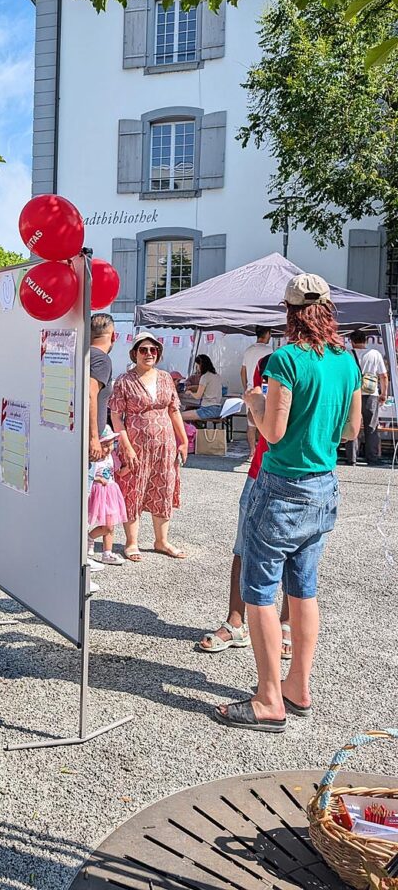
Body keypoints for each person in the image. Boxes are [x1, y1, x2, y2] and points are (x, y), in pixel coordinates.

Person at [216, 274, 361, 733]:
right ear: (328, 310)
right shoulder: (347, 360)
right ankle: (299, 686)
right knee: (304, 589)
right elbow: (352, 431)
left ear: (290, 312)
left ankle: (267, 698)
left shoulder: (285, 359)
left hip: (281, 487)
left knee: (260, 592)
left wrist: (253, 402)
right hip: (323, 485)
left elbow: (273, 432)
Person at [198, 354, 291, 657]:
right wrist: (257, 404)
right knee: (243, 549)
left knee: (294, 557)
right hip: (261, 470)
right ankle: (236, 622)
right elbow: (258, 422)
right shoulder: (271, 363)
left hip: (299, 475)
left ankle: (286, 625)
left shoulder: (328, 363)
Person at [109, 332, 188, 561]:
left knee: (163, 487)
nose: (149, 354)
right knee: (134, 488)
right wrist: (126, 445)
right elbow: (116, 416)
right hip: (136, 444)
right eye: (143, 350)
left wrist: (183, 441)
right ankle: (131, 542)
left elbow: (174, 410)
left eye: (153, 350)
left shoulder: (165, 378)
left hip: (165, 444)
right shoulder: (124, 380)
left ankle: (161, 541)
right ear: (135, 353)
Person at [344, 331, 388, 466]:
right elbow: (383, 376)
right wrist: (384, 394)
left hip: (352, 393)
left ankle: (352, 458)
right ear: (366, 340)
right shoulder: (375, 354)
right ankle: (372, 458)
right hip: (371, 393)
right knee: (371, 426)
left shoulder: (346, 354)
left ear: (351, 341)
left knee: (352, 424)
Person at [87, 428, 126, 566]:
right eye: (105, 445)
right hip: (98, 493)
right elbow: (87, 475)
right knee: (106, 525)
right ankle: (89, 538)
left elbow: (117, 472)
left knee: (110, 524)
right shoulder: (93, 459)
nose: (109, 448)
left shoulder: (111, 456)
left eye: (111, 444)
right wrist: (97, 479)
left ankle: (107, 552)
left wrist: (131, 467)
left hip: (110, 492)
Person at [241, 326, 272, 455]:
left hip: (250, 389)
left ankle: (252, 452)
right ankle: (261, 452)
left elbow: (242, 371)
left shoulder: (248, 350)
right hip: (264, 390)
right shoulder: (269, 351)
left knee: (250, 423)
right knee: (263, 422)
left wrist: (246, 388)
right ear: (268, 334)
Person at [89, 312, 115, 460]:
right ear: (113, 336)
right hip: (87, 440)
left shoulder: (84, 354)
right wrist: (93, 438)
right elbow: (90, 394)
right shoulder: (101, 359)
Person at [180, 354, 224, 422]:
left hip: (207, 410)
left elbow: (198, 396)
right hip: (218, 409)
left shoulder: (205, 377)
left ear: (201, 365)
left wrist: (190, 393)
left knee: (179, 416)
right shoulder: (217, 376)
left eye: (197, 366)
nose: (197, 368)